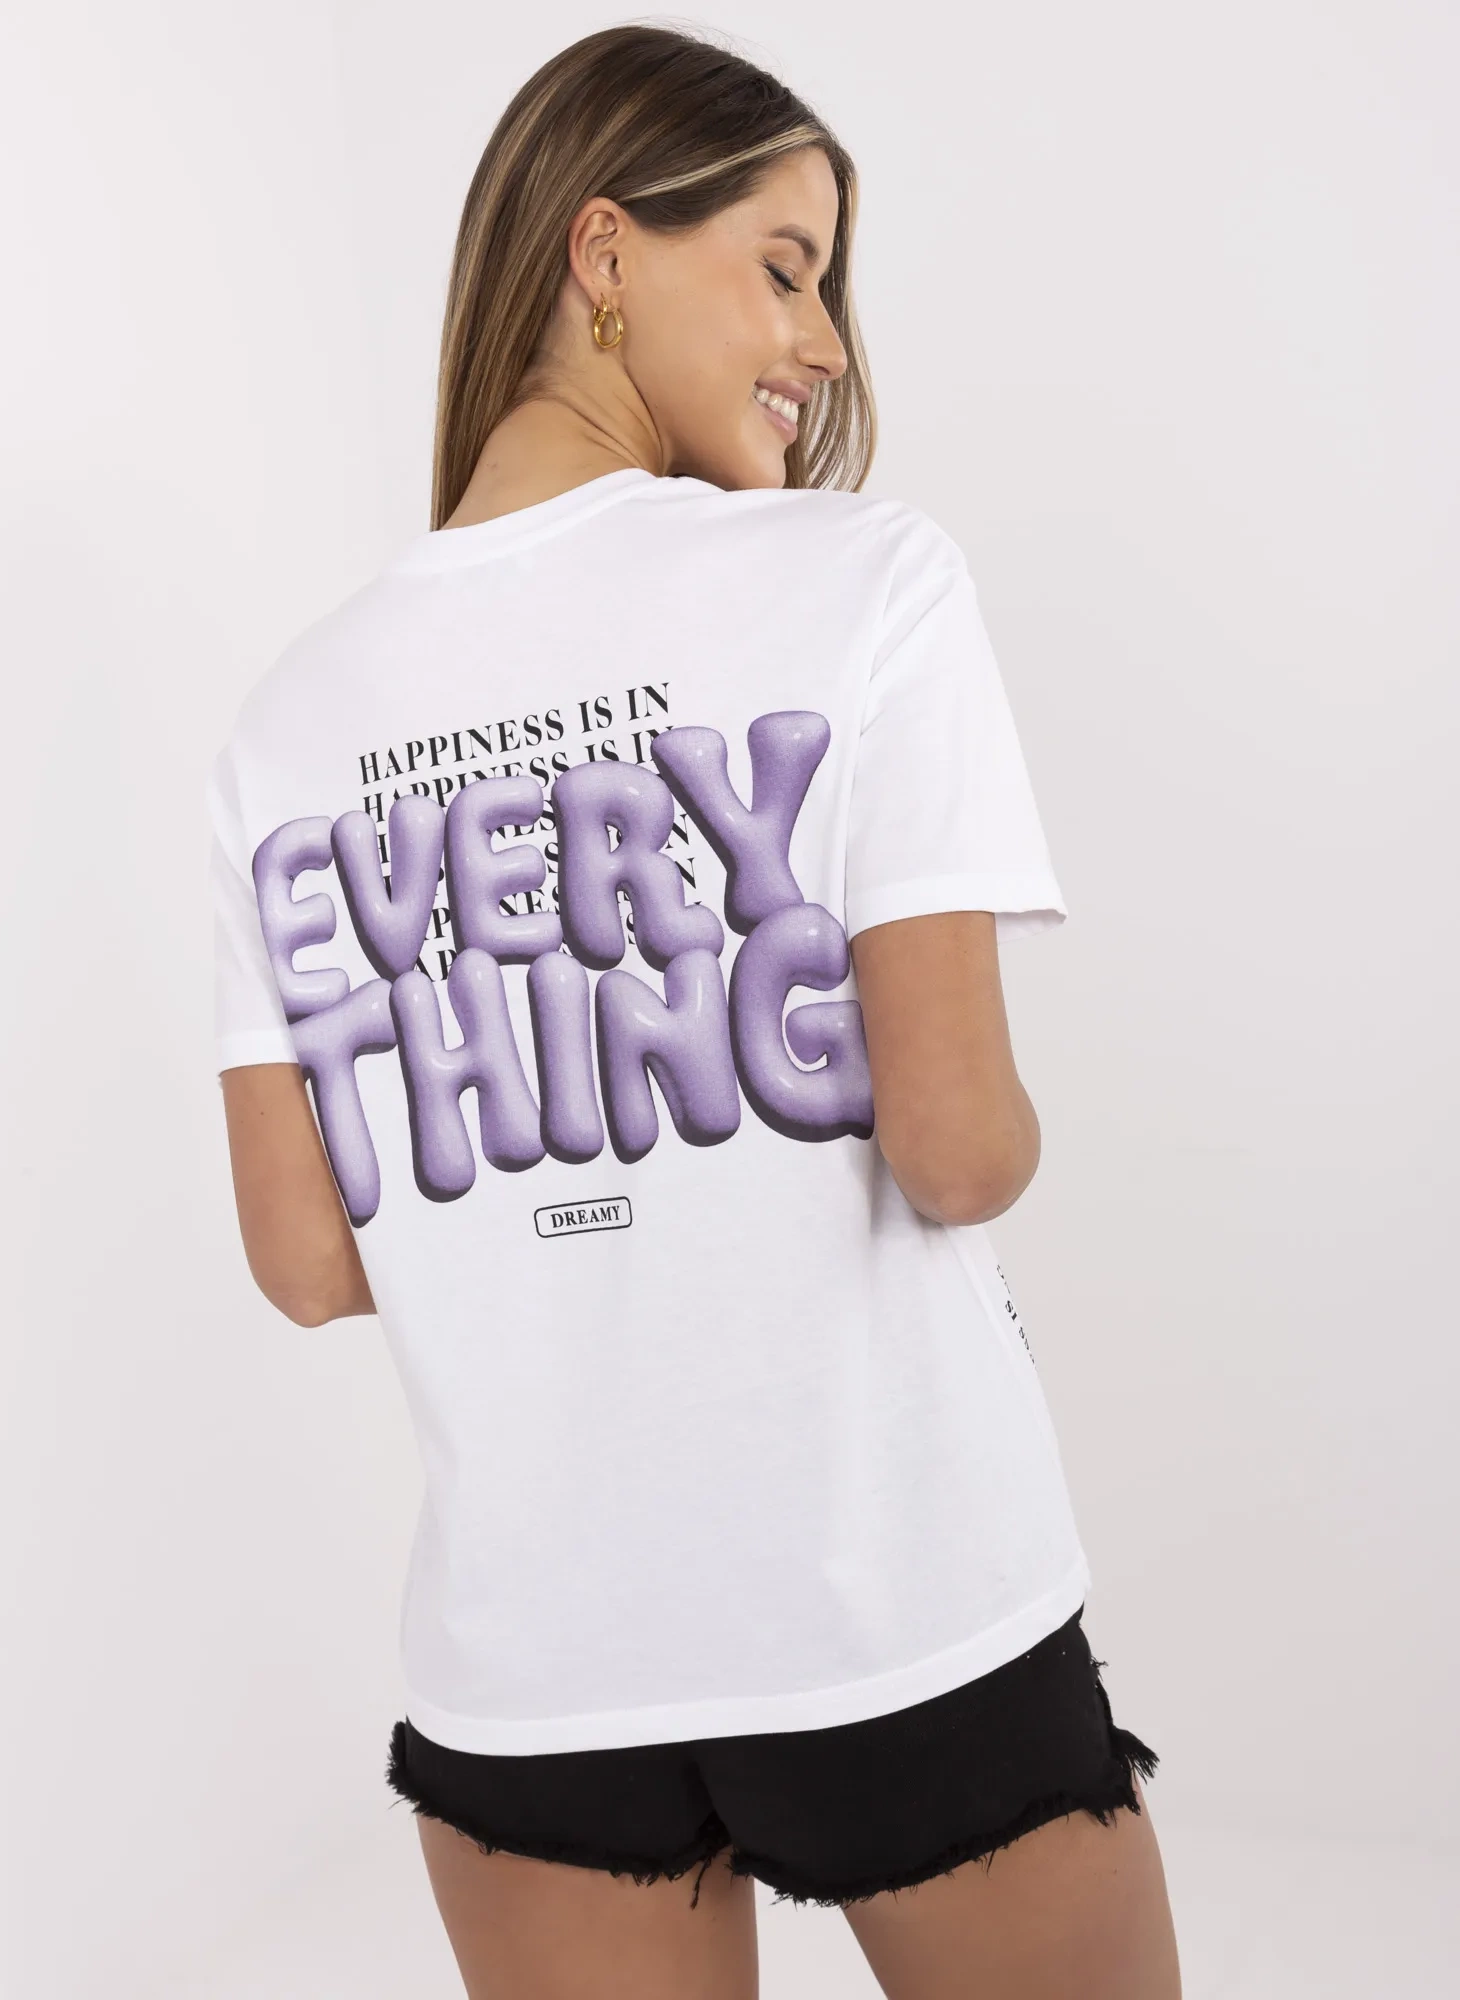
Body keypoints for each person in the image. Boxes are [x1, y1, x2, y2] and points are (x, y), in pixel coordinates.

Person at [207, 23, 1181, 1999]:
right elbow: (957, 1147)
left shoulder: (289, 718)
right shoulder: (866, 579)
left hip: (529, 1673)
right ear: (603, 251)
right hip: (886, 1606)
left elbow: (308, 1259)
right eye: (785, 267)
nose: (822, 344)